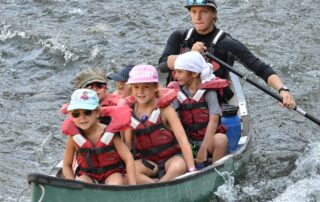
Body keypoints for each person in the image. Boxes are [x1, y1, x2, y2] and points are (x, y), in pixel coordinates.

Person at [158, 0, 296, 109]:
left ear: (214, 14)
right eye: (193, 12)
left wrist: (282, 90)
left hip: (210, 104)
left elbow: (260, 68)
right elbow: (163, 66)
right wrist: (190, 56)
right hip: (177, 99)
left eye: (203, 11)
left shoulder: (227, 43)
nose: (198, 17)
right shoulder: (179, 37)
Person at [123, 64, 196, 184]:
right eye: (136, 87)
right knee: (130, 170)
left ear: (156, 87)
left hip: (171, 159)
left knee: (178, 166)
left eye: (146, 87)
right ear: (131, 88)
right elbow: (128, 147)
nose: (140, 92)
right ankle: (155, 186)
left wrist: (192, 169)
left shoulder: (165, 110)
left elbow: (183, 141)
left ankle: (160, 185)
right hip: (148, 163)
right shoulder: (129, 113)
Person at [62, 89, 136, 185]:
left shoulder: (110, 133)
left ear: (97, 112)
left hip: (112, 173)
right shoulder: (73, 137)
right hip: (88, 175)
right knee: (81, 182)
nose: (82, 117)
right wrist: (72, 186)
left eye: (87, 112)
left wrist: (132, 185)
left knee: (115, 183)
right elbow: (67, 165)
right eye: (76, 114)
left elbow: (128, 158)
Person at [173, 51, 228, 164]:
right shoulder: (177, 94)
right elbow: (174, 122)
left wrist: (203, 149)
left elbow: (214, 121)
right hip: (189, 142)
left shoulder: (209, 92)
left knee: (221, 140)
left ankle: (215, 169)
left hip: (209, 142)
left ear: (194, 74)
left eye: (180, 72)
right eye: (175, 72)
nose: (175, 76)